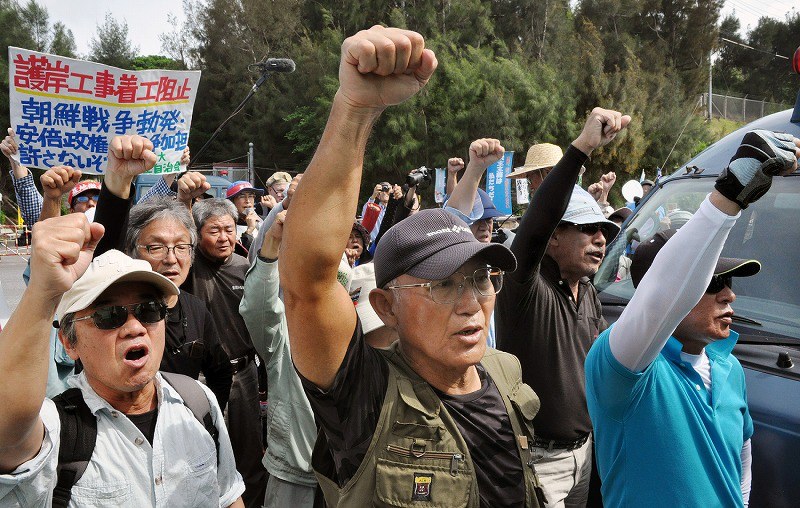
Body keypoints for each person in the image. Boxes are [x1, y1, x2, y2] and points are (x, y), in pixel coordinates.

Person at [281, 25, 545, 507]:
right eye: (443, 285)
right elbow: (309, 283)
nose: (471, 304)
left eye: (481, 279)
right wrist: (356, 110)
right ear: (386, 306)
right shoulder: (367, 397)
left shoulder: (503, 371)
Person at [585, 130, 800, 507]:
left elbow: (741, 462)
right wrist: (726, 199)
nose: (729, 295)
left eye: (729, 282)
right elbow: (665, 293)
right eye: (712, 283)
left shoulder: (729, 368)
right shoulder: (621, 368)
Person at [0, 214, 245, 506]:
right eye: (108, 316)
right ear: (69, 342)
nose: (135, 327)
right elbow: (9, 433)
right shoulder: (56, 429)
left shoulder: (197, 401)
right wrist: (43, 292)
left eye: (149, 309)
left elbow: (228, 496)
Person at [495, 107, 629, 508]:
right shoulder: (525, 286)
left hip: (585, 456)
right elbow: (534, 225)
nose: (601, 240)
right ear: (552, 239)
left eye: (604, 231)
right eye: (588, 229)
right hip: (536, 460)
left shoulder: (587, 291)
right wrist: (583, 148)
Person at [188, 198, 268, 507]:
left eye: (229, 229)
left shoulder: (244, 267)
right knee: (201, 451)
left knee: (249, 452)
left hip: (243, 375)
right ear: (196, 234)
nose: (224, 237)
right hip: (200, 379)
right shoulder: (189, 266)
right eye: (214, 230)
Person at [240, 210, 320, 508]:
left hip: (353, 475)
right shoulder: (282, 329)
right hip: (294, 477)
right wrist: (272, 243)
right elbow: (257, 306)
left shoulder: (364, 327)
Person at [226, 181, 264, 256]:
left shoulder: (262, 220)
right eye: (242, 196)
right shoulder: (227, 225)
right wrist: (249, 230)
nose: (247, 201)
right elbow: (237, 255)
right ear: (232, 202)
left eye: (250, 196)